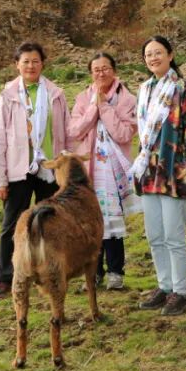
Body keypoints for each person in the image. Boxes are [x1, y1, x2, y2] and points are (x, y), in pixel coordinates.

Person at [0, 41, 72, 300]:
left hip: (49, 167)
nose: (31, 66)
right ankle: (4, 277)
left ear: (42, 64)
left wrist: (65, 170)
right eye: (25, 61)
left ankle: (53, 272)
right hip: (18, 169)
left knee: (50, 223)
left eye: (35, 61)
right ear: (17, 65)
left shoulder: (55, 94)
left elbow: (66, 134)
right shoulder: (7, 96)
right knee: (12, 225)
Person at [132, 36, 186, 316]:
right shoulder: (144, 89)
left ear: (171, 55)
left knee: (174, 235)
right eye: (148, 54)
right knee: (155, 234)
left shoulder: (182, 88)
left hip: (175, 168)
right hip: (148, 169)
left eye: (158, 52)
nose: (153, 58)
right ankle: (164, 285)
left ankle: (180, 291)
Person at [68, 51, 139, 291]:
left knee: (112, 221)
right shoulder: (81, 98)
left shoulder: (127, 99)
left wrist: (104, 107)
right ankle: (93, 273)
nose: (101, 73)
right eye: (96, 69)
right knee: (89, 223)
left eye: (105, 68)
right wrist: (92, 108)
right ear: (90, 73)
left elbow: (123, 134)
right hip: (89, 171)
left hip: (113, 170)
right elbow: (74, 131)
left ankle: (116, 272)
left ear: (114, 70)